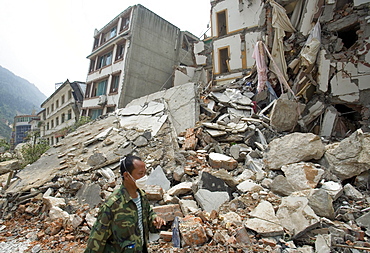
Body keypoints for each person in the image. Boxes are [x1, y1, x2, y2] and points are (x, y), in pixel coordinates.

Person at [84, 154, 166, 253]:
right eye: (140, 173)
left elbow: (148, 214)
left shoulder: (141, 196)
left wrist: (155, 219)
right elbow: (96, 240)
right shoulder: (113, 205)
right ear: (127, 175)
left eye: (145, 173)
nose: (144, 177)